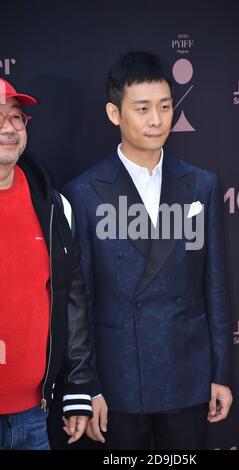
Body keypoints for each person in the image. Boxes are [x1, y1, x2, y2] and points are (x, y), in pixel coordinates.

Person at [63, 50, 233, 450]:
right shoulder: (84, 193)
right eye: (142, 109)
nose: (156, 120)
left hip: (187, 375)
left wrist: (221, 372)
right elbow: (79, 300)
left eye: (165, 106)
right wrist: (88, 386)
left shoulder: (201, 185)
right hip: (118, 380)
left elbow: (216, 288)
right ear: (114, 113)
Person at [0, 78, 94, 450]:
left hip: (34, 417)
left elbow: (71, 302)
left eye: (16, 117)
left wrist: (77, 388)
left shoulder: (53, 205)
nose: (8, 128)